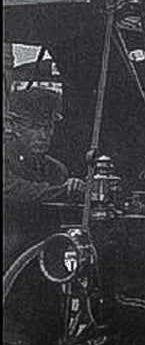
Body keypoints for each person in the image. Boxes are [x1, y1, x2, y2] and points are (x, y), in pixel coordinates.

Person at [3, 87, 84, 266]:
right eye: (34, 127)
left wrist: (77, 189)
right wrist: (63, 191)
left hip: (46, 263)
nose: (42, 136)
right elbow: (13, 189)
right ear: (13, 127)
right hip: (9, 261)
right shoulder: (6, 158)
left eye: (47, 128)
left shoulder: (57, 170)